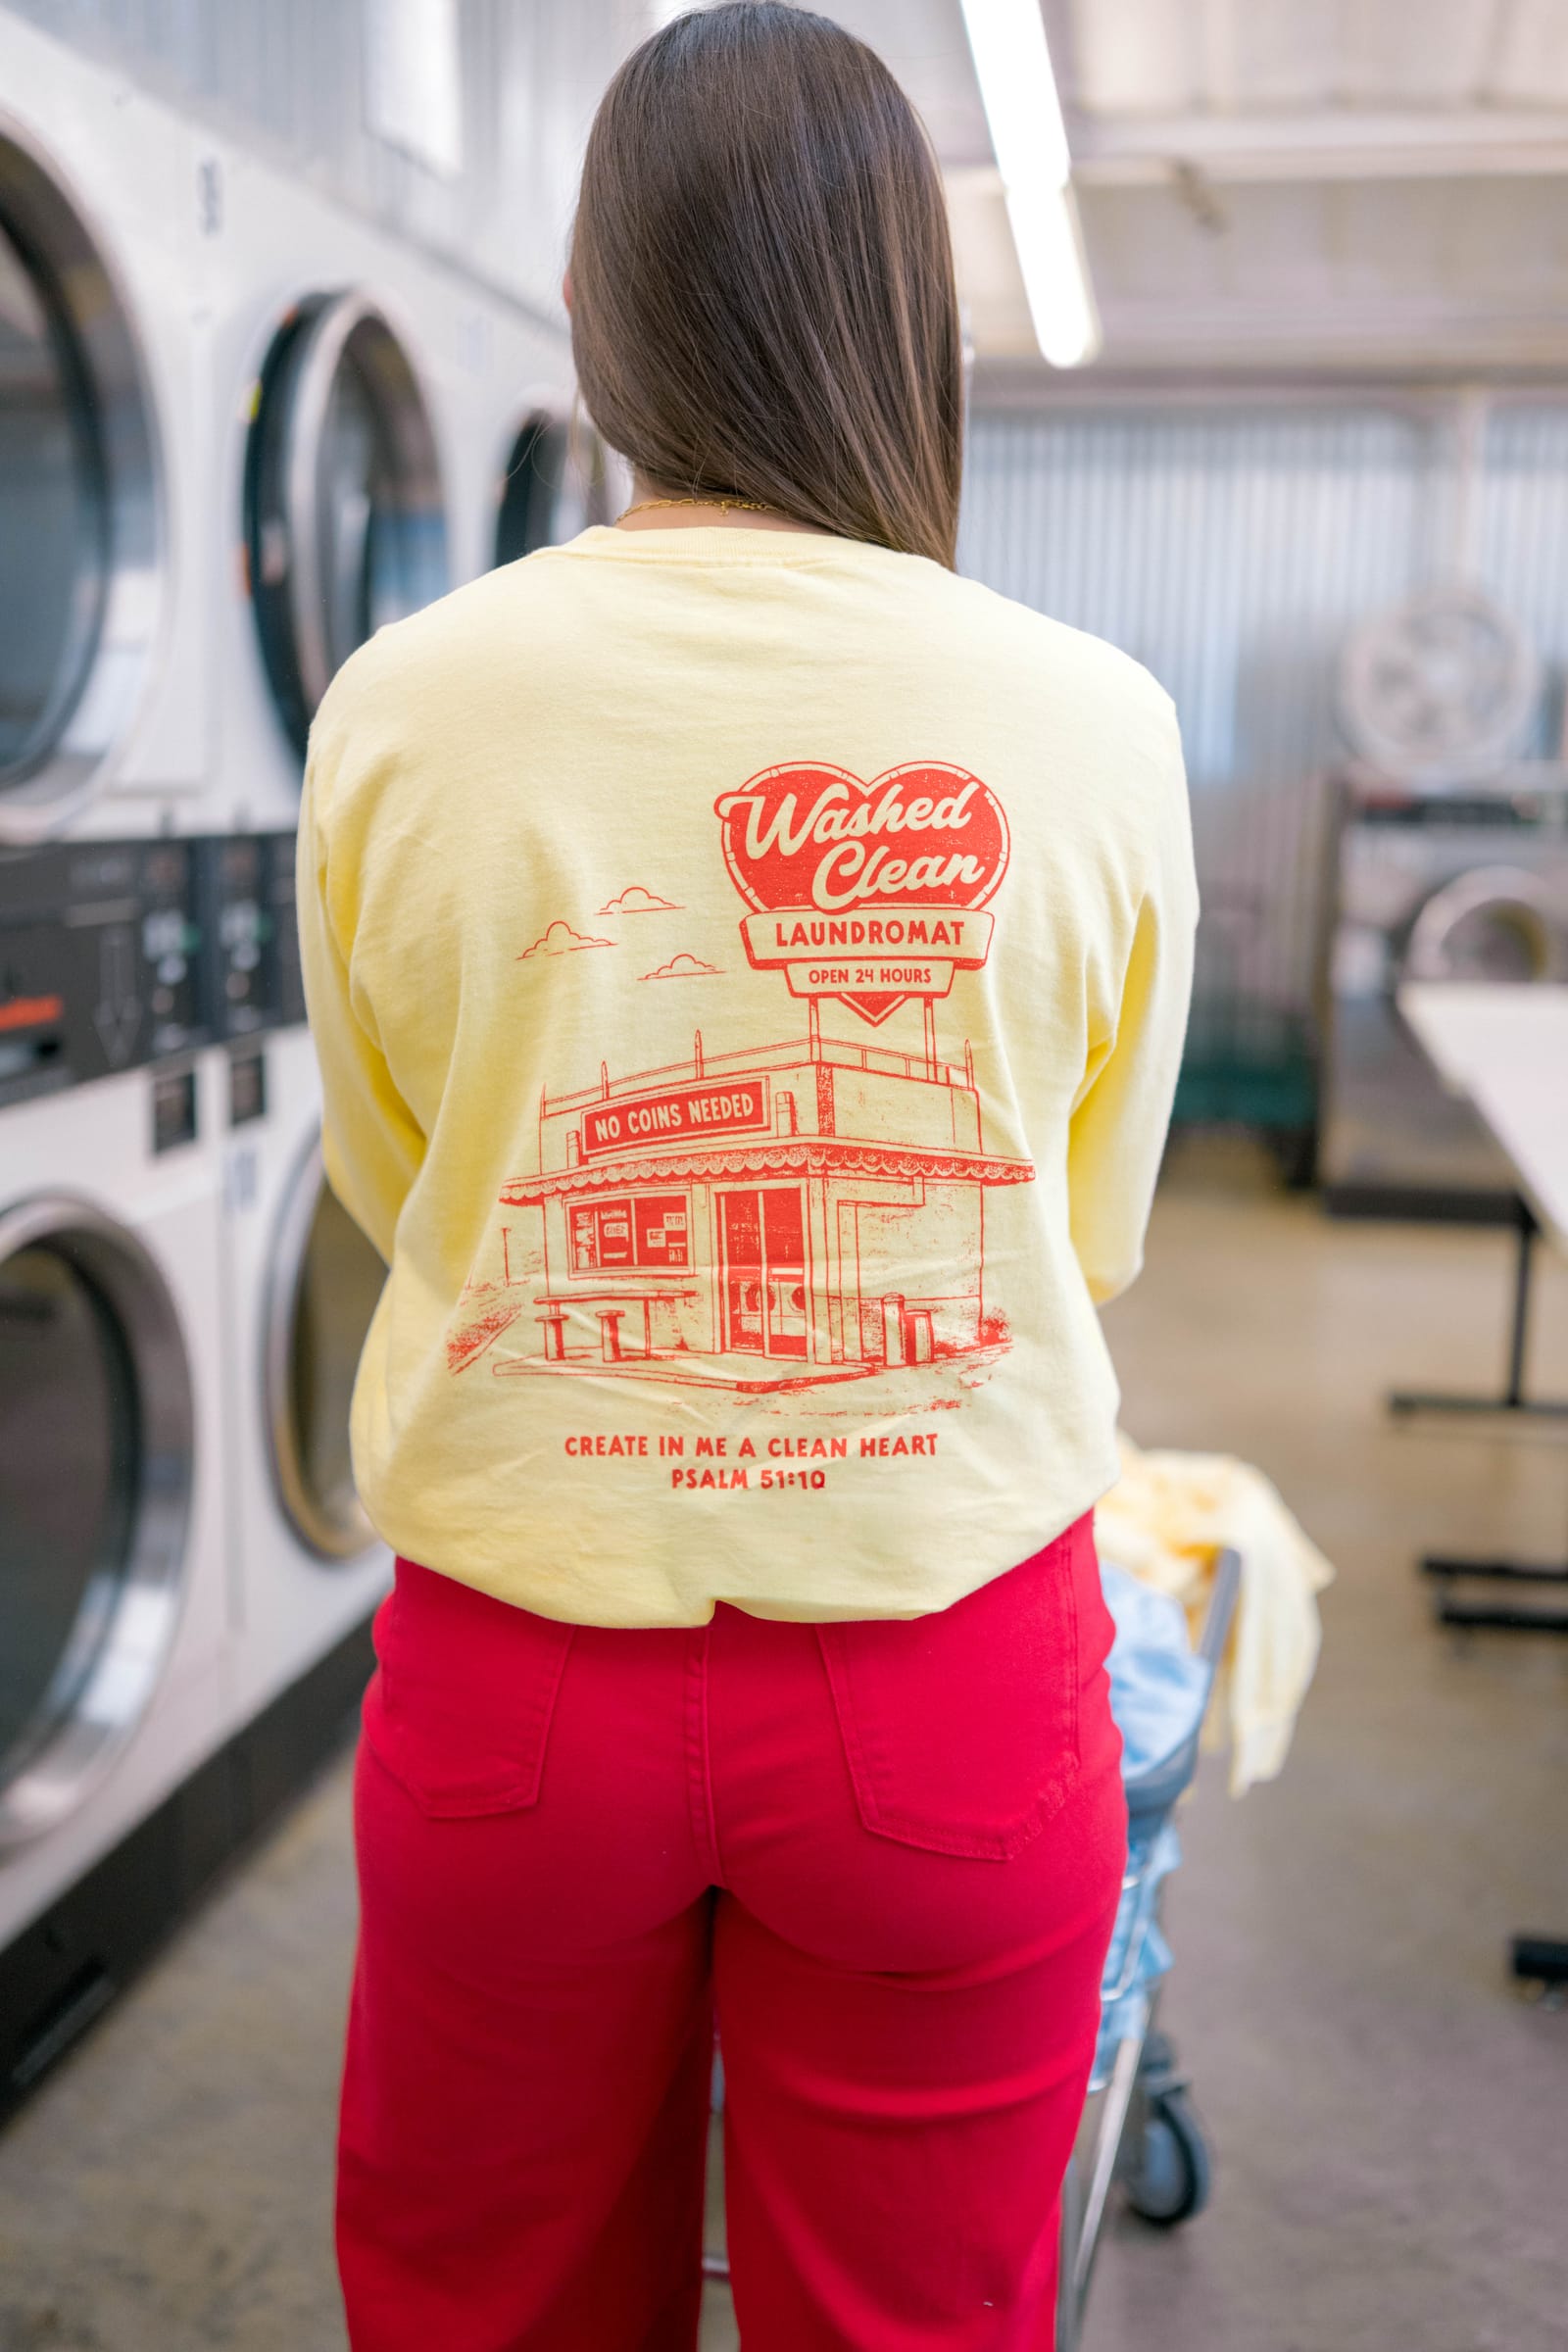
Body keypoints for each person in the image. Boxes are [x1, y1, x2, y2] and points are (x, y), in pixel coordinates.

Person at [297, 6, 1197, 2345]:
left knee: (481, 2297)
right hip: (946, 1656)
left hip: (518, 1667)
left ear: (590, 311)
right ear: (913, 312)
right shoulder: (1093, 718)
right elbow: (1083, 1226)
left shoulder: (400, 699)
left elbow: (407, 1182)